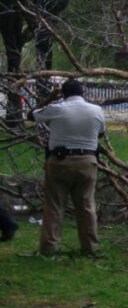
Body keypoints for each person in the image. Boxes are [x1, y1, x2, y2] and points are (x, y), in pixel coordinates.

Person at [27, 79, 106, 256]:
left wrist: (50, 97)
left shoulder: (57, 108)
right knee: (86, 206)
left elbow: (31, 115)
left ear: (62, 94)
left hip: (59, 162)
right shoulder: (96, 110)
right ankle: (90, 248)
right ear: (82, 92)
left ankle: (49, 248)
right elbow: (100, 133)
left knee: (54, 206)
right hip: (87, 161)